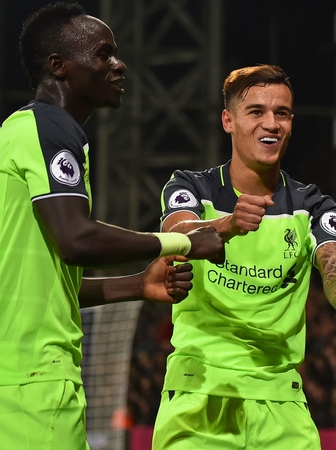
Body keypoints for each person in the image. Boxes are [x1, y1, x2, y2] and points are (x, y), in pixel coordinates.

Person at [0, 3, 225, 449]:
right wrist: (184, 241)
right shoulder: (48, 129)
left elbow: (46, 281)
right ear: (58, 67)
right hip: (33, 380)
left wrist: (137, 286)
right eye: (104, 55)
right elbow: (76, 239)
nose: (119, 65)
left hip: (19, 377)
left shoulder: (23, 133)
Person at [151, 64, 336, 450]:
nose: (271, 124)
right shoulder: (191, 187)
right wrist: (226, 225)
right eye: (256, 112)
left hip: (282, 400)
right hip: (199, 392)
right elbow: (175, 235)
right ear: (229, 120)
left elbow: (334, 263)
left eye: (282, 113)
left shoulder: (313, 205)